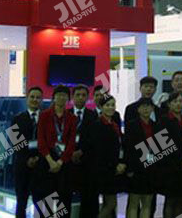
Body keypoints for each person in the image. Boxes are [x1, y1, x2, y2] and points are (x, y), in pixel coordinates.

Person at [36, 85, 78, 216]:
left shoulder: (72, 118)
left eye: (64, 95)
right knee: (47, 200)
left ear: (68, 99)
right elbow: (41, 141)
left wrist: (60, 162)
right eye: (59, 95)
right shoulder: (44, 115)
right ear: (54, 97)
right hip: (47, 161)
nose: (61, 98)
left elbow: (71, 143)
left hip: (64, 163)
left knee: (64, 200)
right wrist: (51, 161)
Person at [82, 94, 126, 218]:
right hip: (104, 169)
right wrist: (114, 165)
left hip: (113, 169)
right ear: (101, 107)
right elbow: (99, 150)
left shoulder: (114, 124)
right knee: (111, 203)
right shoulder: (97, 125)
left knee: (110, 204)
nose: (111, 108)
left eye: (113, 105)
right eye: (107, 105)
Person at [156, 92, 182, 218]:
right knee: (170, 201)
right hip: (170, 167)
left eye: (180, 101)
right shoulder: (164, 120)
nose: (178, 104)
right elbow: (162, 146)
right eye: (175, 102)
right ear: (169, 104)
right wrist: (180, 159)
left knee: (181, 201)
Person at [124, 98, 158, 218]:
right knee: (133, 202)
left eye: (148, 106)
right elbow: (128, 148)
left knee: (147, 203)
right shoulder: (131, 125)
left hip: (151, 169)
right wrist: (130, 168)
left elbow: (158, 148)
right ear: (138, 109)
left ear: (152, 109)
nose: (146, 109)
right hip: (136, 168)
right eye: (143, 106)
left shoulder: (156, 126)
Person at [12, 86, 43, 218]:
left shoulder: (47, 119)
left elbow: (50, 141)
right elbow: (15, 143)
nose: (35, 100)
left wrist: (38, 158)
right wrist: (27, 159)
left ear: (41, 100)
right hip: (22, 166)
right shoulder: (17, 119)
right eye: (32, 97)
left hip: (41, 166)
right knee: (21, 201)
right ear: (27, 99)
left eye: (38, 97)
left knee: (42, 202)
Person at [69, 84, 99, 218]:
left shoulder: (93, 116)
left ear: (88, 97)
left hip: (87, 163)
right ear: (72, 97)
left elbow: (94, 139)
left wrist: (81, 151)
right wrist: (70, 153)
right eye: (78, 95)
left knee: (88, 198)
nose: (81, 98)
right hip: (68, 161)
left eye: (83, 95)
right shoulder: (65, 114)